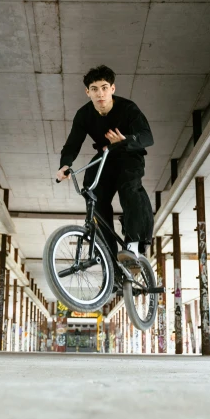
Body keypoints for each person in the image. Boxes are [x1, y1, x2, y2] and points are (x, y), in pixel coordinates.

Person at [55, 65, 154, 269]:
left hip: (129, 154)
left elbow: (147, 137)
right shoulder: (83, 115)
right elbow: (73, 143)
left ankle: (134, 244)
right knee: (92, 191)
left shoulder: (128, 108)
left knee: (129, 187)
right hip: (105, 156)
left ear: (112, 89)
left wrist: (125, 139)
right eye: (94, 88)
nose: (100, 93)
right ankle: (109, 255)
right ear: (87, 92)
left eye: (104, 87)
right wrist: (65, 164)